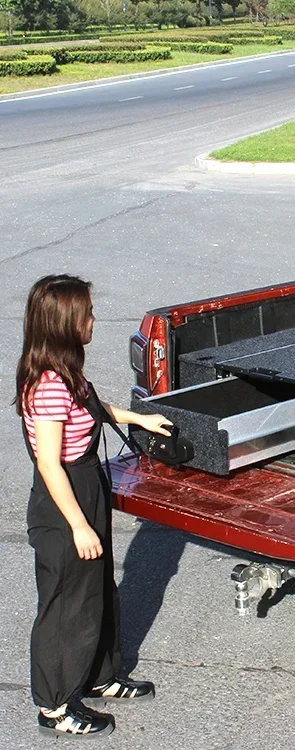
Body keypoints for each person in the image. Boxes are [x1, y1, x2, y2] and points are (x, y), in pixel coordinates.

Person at [15, 274, 172, 739]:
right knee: (67, 605)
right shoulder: (45, 386)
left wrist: (138, 417)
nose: (93, 320)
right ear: (66, 324)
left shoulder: (67, 374)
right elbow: (48, 464)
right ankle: (55, 706)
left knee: (99, 591)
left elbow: (93, 406)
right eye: (87, 314)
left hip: (86, 485)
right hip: (64, 502)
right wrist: (80, 526)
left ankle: (102, 676)